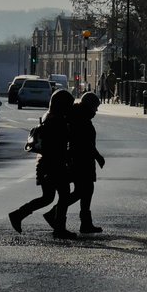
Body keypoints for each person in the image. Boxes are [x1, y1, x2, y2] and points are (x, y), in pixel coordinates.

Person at [9, 89, 76, 238]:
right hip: (53, 164)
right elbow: (59, 145)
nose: (70, 108)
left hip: (45, 163)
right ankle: (59, 228)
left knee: (48, 197)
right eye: (68, 105)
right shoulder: (57, 121)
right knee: (63, 195)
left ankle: (18, 214)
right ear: (62, 105)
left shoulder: (49, 116)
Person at [48, 90, 105, 235]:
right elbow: (85, 142)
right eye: (95, 108)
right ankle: (58, 214)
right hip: (81, 160)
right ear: (89, 106)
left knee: (85, 190)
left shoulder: (79, 115)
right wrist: (98, 156)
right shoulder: (81, 118)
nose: (96, 111)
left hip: (81, 159)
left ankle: (84, 222)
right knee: (83, 190)